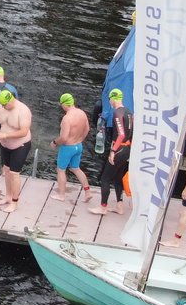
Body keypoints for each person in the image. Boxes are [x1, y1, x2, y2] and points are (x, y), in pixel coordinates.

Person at [0, 89, 32, 211]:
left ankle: (14, 202)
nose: (4, 107)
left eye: (5, 105)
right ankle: (7, 196)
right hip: (4, 145)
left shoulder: (23, 111)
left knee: (14, 173)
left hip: (20, 145)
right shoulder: (0, 108)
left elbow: (23, 132)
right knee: (6, 170)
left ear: (11, 99)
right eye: (2, 105)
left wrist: (5, 136)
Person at [90, 88, 131, 216]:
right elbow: (131, 133)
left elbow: (121, 134)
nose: (110, 102)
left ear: (113, 99)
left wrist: (113, 151)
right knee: (118, 178)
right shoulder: (128, 112)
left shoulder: (118, 113)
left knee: (105, 178)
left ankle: (103, 207)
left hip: (119, 149)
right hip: (127, 149)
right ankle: (120, 206)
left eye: (109, 100)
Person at [51, 93, 91, 202]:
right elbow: (87, 129)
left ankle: (61, 195)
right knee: (76, 168)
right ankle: (87, 192)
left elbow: (63, 138)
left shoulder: (67, 118)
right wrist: (80, 140)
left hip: (68, 148)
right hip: (78, 146)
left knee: (61, 170)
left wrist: (55, 142)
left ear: (64, 104)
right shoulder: (82, 113)